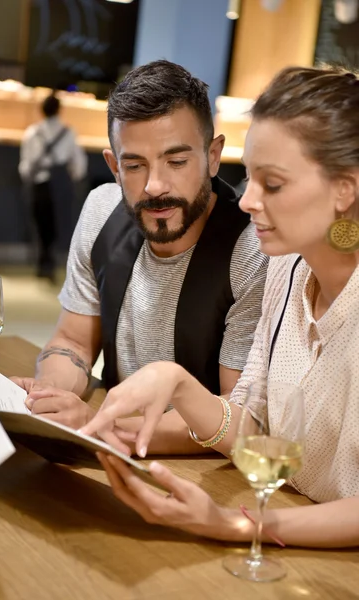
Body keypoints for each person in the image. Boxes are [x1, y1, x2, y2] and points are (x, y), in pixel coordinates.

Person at [71, 65, 359, 548]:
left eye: (272, 184)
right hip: (291, 533)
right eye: (249, 177)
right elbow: (253, 427)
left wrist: (235, 524)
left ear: (344, 189)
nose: (245, 201)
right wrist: (179, 385)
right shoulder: (288, 271)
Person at [14, 60, 268, 453]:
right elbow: (73, 341)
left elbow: (237, 412)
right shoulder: (101, 211)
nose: (154, 186)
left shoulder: (251, 249)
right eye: (134, 165)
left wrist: (101, 427)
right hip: (111, 451)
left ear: (213, 156)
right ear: (114, 167)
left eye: (177, 161)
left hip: (204, 471)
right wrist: (51, 395)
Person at [19, 93, 88, 281]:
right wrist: (74, 178)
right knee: (59, 222)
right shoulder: (68, 132)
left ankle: (42, 261)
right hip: (61, 183)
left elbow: (25, 165)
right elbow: (79, 164)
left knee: (40, 223)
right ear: (59, 110)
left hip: (40, 183)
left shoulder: (33, 132)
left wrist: (28, 178)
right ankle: (51, 261)